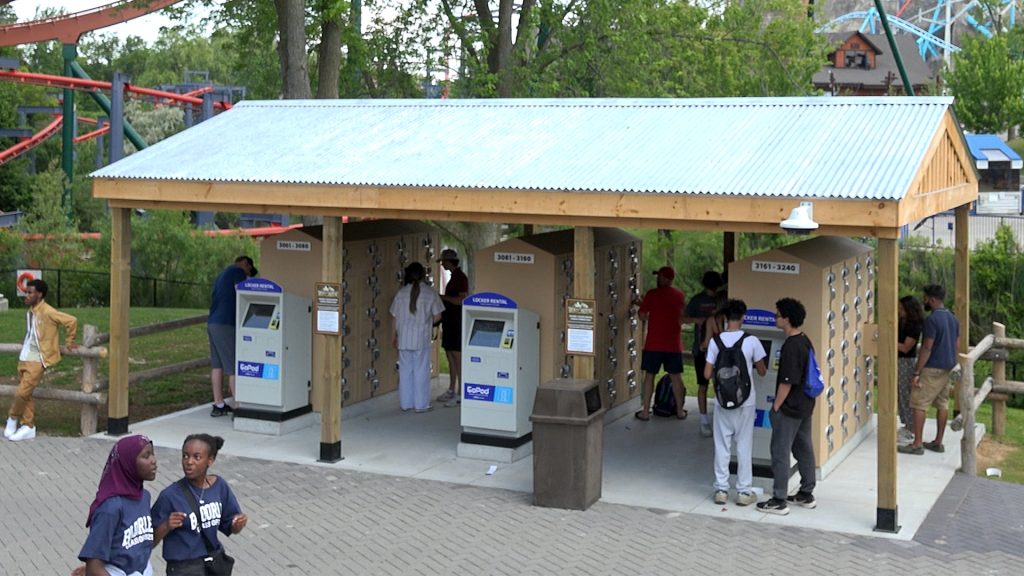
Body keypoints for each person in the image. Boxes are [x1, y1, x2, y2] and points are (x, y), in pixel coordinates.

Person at [152, 434, 247, 575]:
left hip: (213, 564)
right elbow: (147, 542)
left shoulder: (219, 486)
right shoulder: (170, 495)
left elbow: (230, 525)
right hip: (184, 568)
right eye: (185, 456)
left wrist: (237, 525)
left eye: (196, 457)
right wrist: (166, 526)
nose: (189, 462)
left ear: (210, 460)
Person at [757, 297, 817, 516]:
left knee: (780, 452)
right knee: (804, 448)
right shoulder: (804, 340)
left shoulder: (791, 346)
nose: (775, 318)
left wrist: (776, 407)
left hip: (789, 408)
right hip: (805, 404)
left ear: (787, 319)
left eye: (778, 315)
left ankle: (779, 499)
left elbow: (786, 382)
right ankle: (806, 493)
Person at [704, 299, 766, 506]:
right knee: (744, 446)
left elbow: (706, 373)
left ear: (725, 317)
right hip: (746, 401)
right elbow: (763, 370)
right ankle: (743, 491)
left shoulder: (716, 341)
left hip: (723, 401)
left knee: (722, 445)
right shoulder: (751, 341)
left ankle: (721, 490)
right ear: (743, 317)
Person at [4, 278, 78, 442]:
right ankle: (28, 426)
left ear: (40, 294)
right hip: (25, 356)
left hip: (38, 359)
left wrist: (69, 341)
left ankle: (13, 418)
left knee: (21, 392)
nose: (27, 295)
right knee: (26, 394)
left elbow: (71, 321)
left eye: (30, 293)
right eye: (27, 292)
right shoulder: (31, 310)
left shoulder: (48, 311)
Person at [74, 434, 158, 576]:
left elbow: (141, 544)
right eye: (146, 456)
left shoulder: (144, 496)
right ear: (128, 463)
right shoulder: (110, 508)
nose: (153, 461)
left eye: (153, 454)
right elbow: (94, 567)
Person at [899, 284, 960, 456]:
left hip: (932, 368)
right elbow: (957, 345)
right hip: (947, 368)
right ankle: (937, 442)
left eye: (925, 298)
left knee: (919, 404)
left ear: (932, 299)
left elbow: (927, 347)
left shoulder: (931, 320)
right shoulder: (953, 319)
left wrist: (917, 372)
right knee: (942, 405)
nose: (923, 301)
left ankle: (917, 444)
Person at [634, 266, 687, 421]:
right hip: (673, 344)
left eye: (660, 276)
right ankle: (679, 411)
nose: (658, 279)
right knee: (676, 377)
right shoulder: (679, 295)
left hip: (654, 344)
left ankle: (645, 412)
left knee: (649, 376)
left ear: (666, 278)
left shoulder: (652, 294)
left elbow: (643, 315)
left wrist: (643, 307)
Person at [390, 262, 444, 412]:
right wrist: (426, 323)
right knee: (421, 371)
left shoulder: (401, 293)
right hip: (422, 338)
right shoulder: (430, 293)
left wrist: (393, 336)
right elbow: (438, 315)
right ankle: (421, 405)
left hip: (404, 338)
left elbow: (394, 317)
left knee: (406, 371)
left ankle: (405, 403)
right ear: (423, 275)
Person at [207, 256, 256, 418]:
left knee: (217, 365)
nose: (248, 273)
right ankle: (239, 406)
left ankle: (219, 404)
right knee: (233, 366)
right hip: (227, 323)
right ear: (246, 264)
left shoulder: (221, 275)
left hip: (213, 322)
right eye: (250, 270)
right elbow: (242, 294)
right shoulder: (238, 272)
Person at [683, 270, 724, 437]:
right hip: (706, 348)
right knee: (710, 385)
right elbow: (682, 319)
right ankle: (707, 421)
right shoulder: (698, 300)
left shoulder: (721, 299)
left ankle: (704, 421)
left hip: (704, 348)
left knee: (706, 385)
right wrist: (697, 321)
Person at [435, 249, 469, 408]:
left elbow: (461, 300)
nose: (441, 264)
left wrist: (442, 297)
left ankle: (462, 392)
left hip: (457, 320)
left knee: (457, 356)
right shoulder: (454, 277)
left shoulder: (461, 278)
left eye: (443, 261)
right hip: (449, 321)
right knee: (449, 354)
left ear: (449, 262)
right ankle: (451, 388)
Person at [897, 295, 925, 444]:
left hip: (906, 361)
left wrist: (887, 340)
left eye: (901, 308)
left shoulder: (914, 325)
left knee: (907, 393)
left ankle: (911, 427)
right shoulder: (902, 321)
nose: (899, 311)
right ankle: (907, 424)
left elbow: (906, 347)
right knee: (901, 393)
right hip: (899, 360)